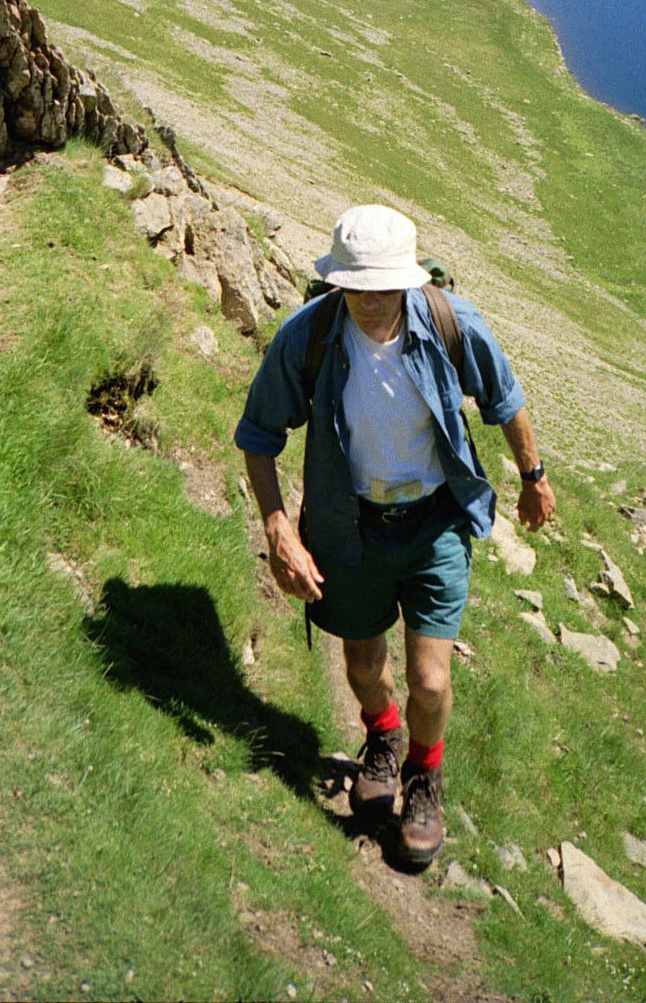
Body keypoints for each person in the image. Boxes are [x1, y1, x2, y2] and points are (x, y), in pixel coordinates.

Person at [235, 203, 555, 867]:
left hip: (435, 521)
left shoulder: (453, 324)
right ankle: (383, 738)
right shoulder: (308, 336)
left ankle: (424, 776)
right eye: (357, 287)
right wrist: (278, 529)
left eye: (383, 287)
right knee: (362, 666)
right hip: (350, 524)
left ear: (409, 281)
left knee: (430, 682)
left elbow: (505, 399)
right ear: (338, 282)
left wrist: (534, 477)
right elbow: (258, 435)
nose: (371, 302)